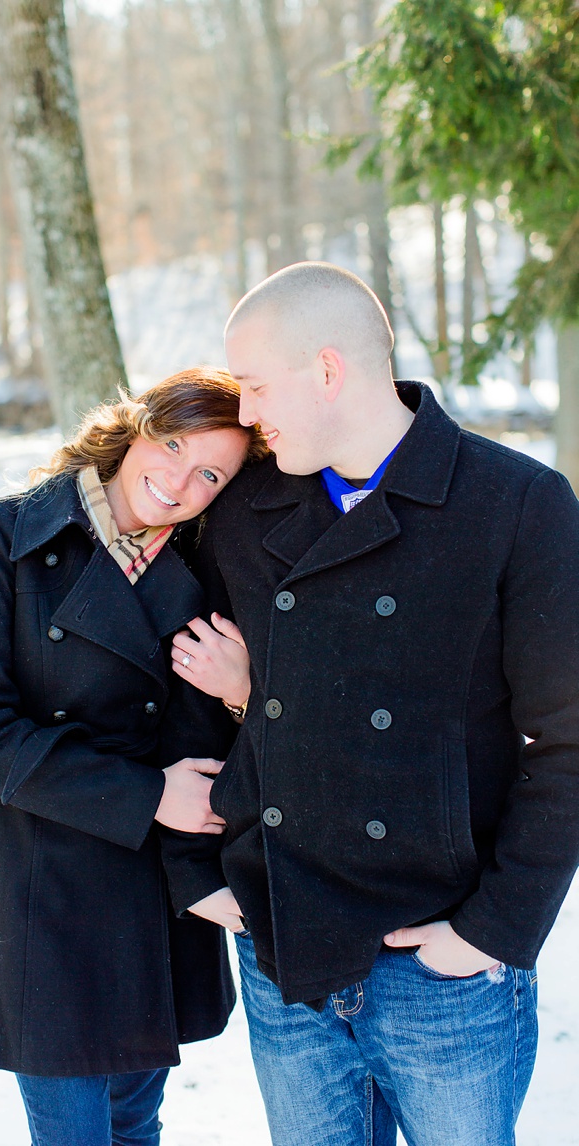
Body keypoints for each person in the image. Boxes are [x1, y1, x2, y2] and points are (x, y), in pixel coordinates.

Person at [167, 261, 579, 1146]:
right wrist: (197, 871)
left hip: (444, 971)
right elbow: (189, 693)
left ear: (327, 370)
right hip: (285, 955)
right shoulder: (242, 512)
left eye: (255, 386)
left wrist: (493, 933)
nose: (244, 416)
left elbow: (570, 740)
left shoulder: (516, 503)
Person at [0, 368, 268, 1145]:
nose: (177, 482)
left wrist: (241, 691)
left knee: (137, 1121)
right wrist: (146, 795)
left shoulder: (214, 568)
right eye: (171, 445)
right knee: (73, 1131)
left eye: (210, 473)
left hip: (157, 884)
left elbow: (237, 731)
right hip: (41, 878)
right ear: (137, 426)